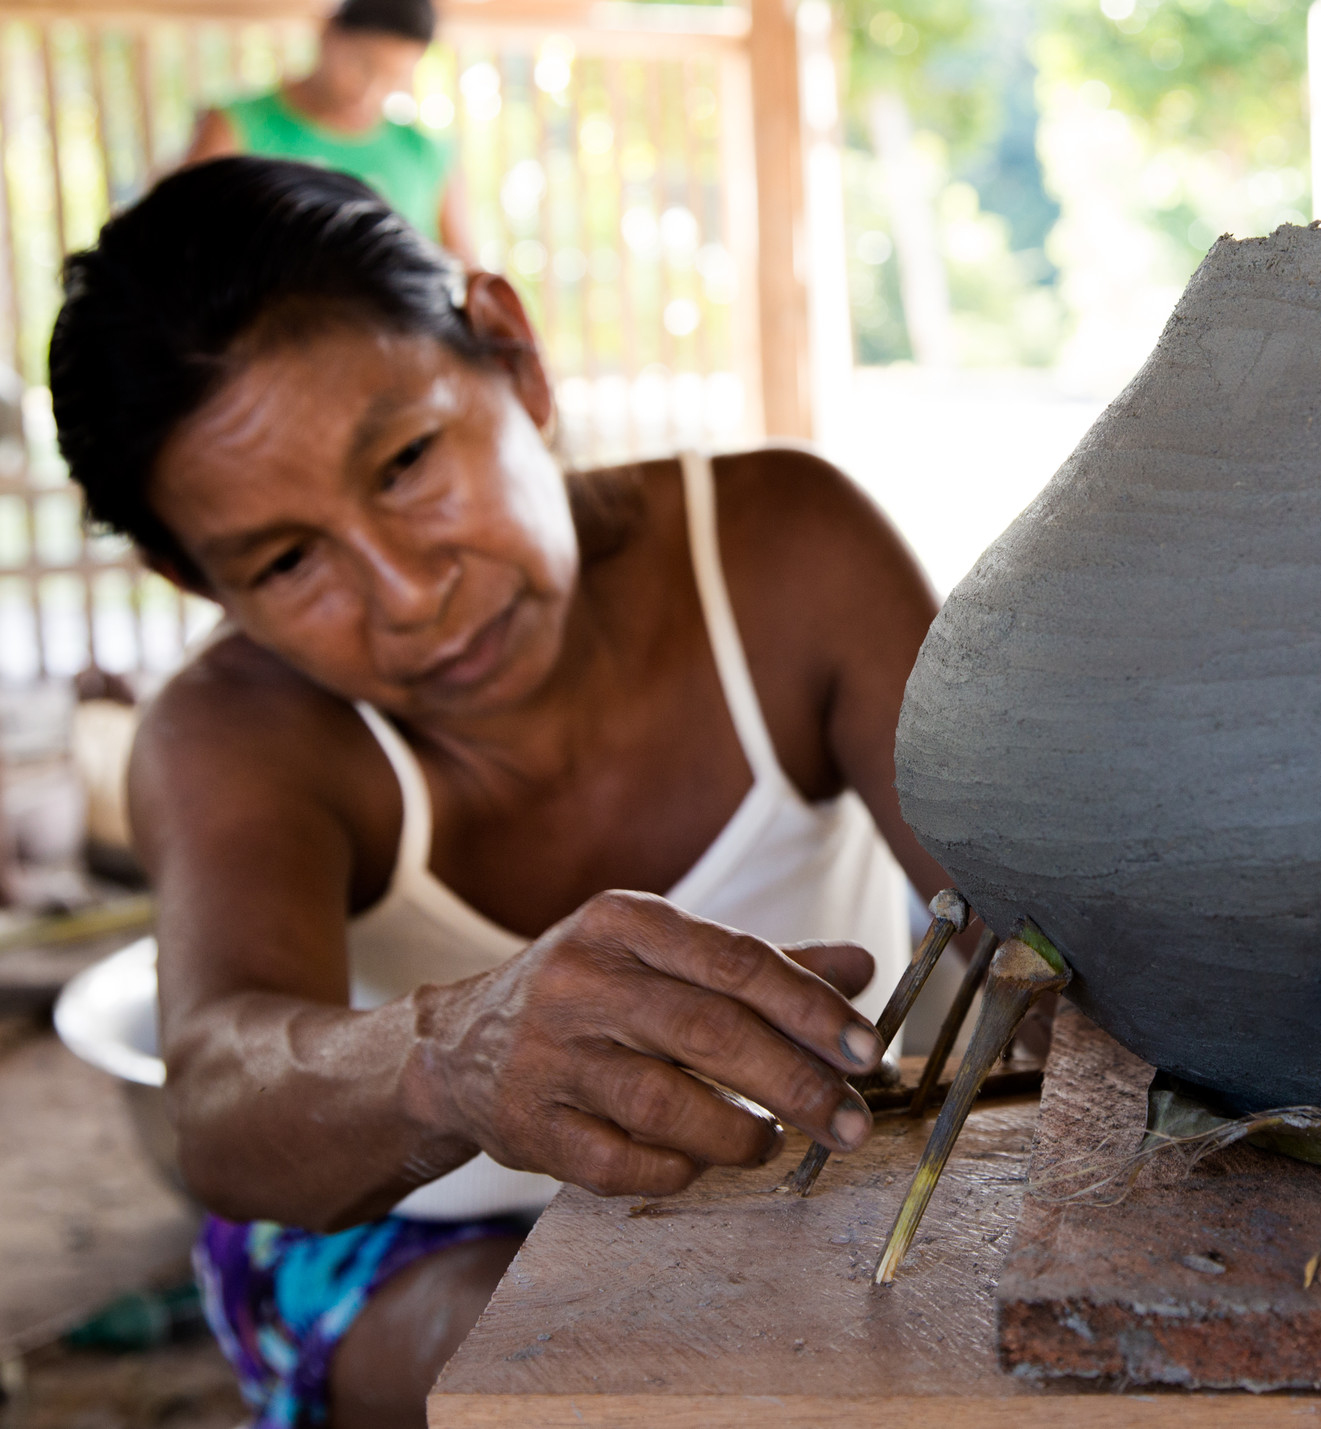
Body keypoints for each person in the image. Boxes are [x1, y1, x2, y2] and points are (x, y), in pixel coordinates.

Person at [49, 157, 976, 1428]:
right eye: (287, 560)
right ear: (197, 582)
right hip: (409, 1247)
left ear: (512, 353)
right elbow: (215, 1099)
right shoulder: (235, 734)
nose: (406, 591)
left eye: (405, 460)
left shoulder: (785, 552)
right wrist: (446, 1058)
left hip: (812, 1193)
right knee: (602, 1368)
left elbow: (1022, 921)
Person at [184, 0, 472, 264]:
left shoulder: (426, 152)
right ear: (327, 32)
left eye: (392, 77)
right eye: (361, 64)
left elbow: (463, 264)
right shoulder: (234, 125)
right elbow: (185, 235)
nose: (369, 90)